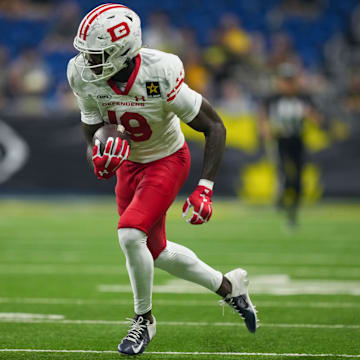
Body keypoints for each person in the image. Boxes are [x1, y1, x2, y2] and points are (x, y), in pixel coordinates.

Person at [67, 4, 257, 356]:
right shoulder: (80, 73)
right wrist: (97, 151)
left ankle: (144, 321)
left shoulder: (160, 70)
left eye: (98, 55)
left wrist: (205, 188)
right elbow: (92, 123)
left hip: (166, 158)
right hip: (129, 164)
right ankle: (230, 286)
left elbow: (213, 126)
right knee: (155, 251)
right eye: (87, 55)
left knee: (129, 233)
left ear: (122, 52)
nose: (88, 63)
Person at [258, 63, 321, 228]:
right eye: (285, 80)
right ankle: (283, 200)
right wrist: (265, 129)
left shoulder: (304, 98)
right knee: (284, 173)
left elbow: (319, 120)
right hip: (281, 141)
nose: (287, 85)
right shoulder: (274, 98)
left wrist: (309, 115)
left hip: (298, 141)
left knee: (298, 177)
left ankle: (293, 207)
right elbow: (263, 116)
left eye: (290, 81)